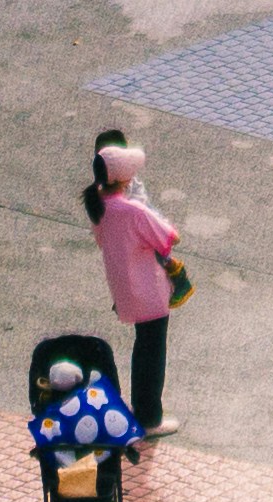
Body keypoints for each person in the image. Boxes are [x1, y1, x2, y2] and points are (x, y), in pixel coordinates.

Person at [83, 131, 183, 436]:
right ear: (125, 178)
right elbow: (168, 238)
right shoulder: (134, 211)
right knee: (152, 354)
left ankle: (141, 409)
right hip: (150, 292)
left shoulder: (99, 208)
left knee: (143, 347)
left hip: (125, 292)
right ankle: (149, 417)